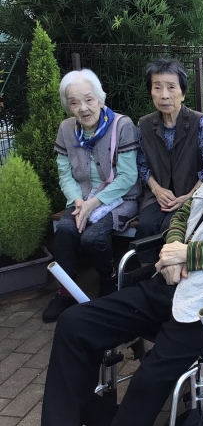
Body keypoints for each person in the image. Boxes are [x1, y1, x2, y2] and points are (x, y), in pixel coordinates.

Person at [41, 97, 203, 426]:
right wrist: (172, 252)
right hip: (170, 282)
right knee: (74, 323)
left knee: (152, 372)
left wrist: (188, 254)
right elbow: (181, 217)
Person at [42, 69, 140, 323]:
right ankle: (66, 291)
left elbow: (128, 176)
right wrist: (78, 201)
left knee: (92, 238)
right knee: (65, 231)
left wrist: (93, 203)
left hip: (119, 200)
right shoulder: (66, 129)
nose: (83, 108)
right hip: (81, 199)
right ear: (68, 106)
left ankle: (108, 280)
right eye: (74, 102)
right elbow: (65, 174)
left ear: (100, 98)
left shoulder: (122, 125)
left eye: (88, 99)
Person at [135, 59, 203, 263]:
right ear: (151, 92)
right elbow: (141, 164)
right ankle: (146, 273)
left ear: (183, 92)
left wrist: (190, 196)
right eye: (157, 87)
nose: (164, 95)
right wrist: (157, 191)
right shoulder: (144, 125)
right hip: (157, 197)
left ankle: (170, 274)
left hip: (192, 194)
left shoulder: (200, 122)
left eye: (171, 87)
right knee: (146, 225)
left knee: (170, 227)